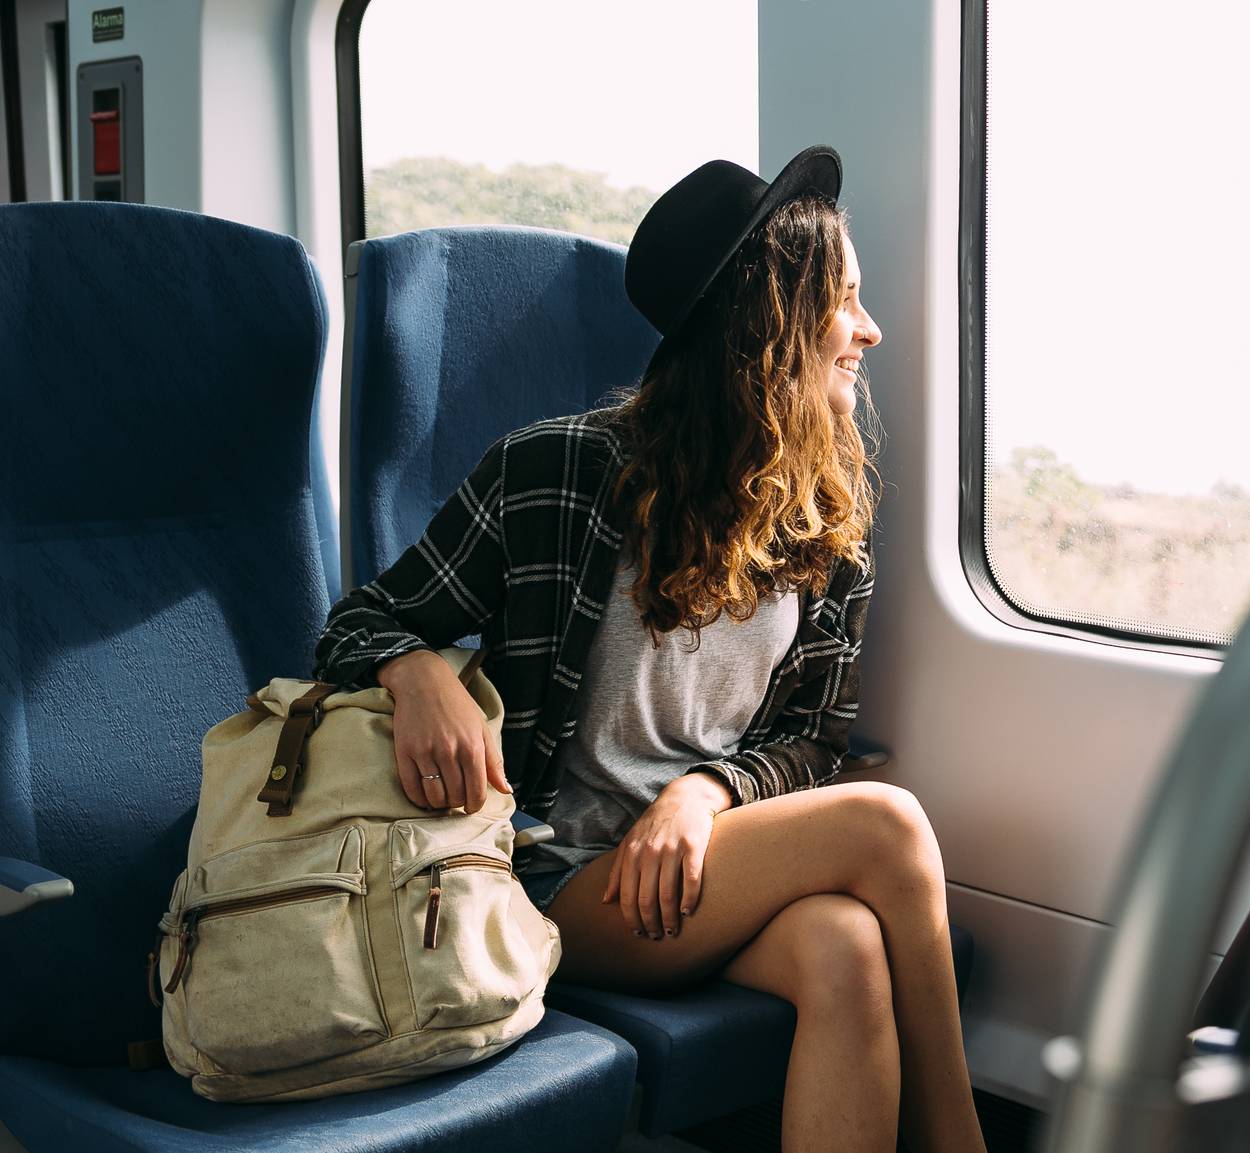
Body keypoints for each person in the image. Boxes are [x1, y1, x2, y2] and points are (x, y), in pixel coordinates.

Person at [313, 146, 986, 1153]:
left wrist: (703, 791)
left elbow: (812, 739)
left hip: (701, 872)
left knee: (845, 946)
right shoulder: (554, 474)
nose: (868, 330)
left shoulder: (824, 518)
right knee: (887, 828)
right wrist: (414, 672)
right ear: (771, 325)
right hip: (554, 883)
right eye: (844, 302)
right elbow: (353, 624)